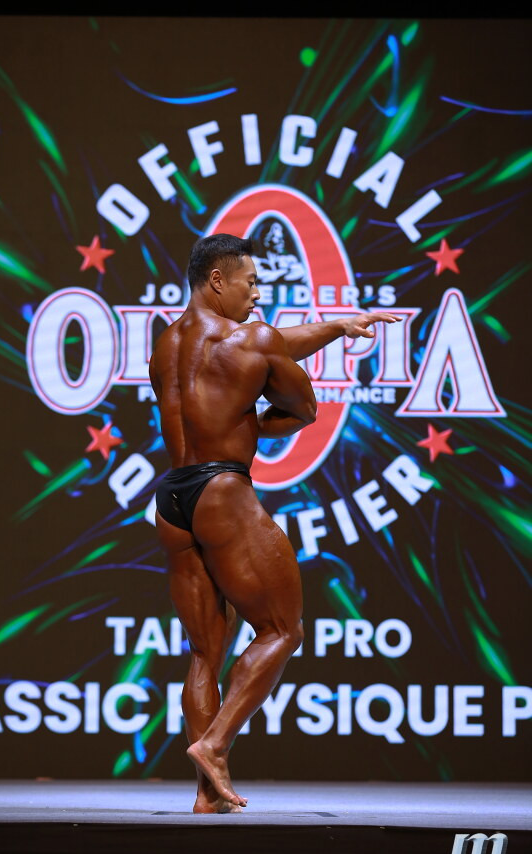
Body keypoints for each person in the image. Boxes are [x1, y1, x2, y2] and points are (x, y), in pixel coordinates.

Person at [149, 234, 400, 812]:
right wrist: (255, 425)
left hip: (173, 498)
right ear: (218, 280)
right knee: (283, 630)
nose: (258, 293)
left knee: (204, 653)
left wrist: (337, 326)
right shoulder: (252, 340)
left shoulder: (166, 343)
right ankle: (214, 745)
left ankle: (207, 797)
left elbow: (266, 343)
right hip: (222, 491)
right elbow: (303, 407)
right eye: (251, 282)